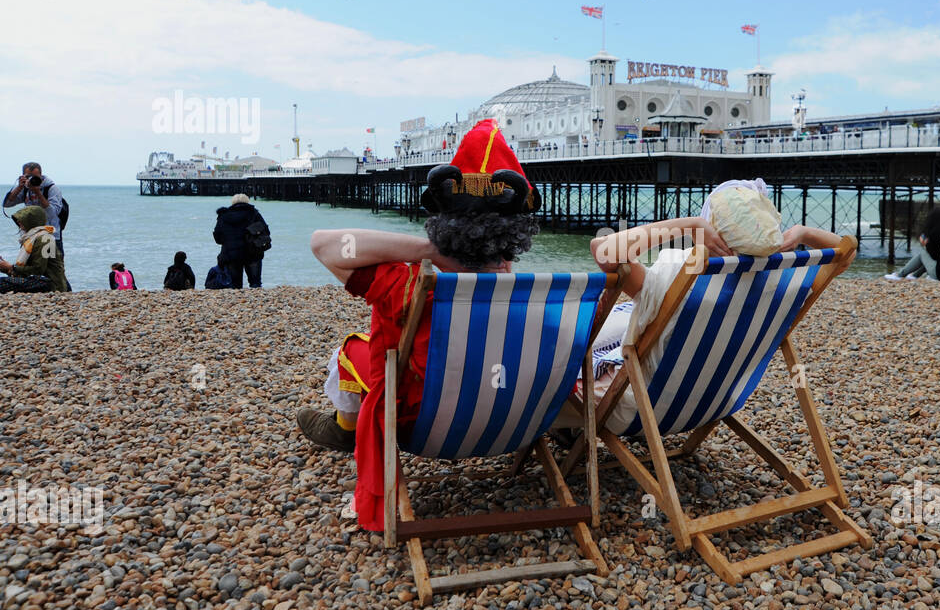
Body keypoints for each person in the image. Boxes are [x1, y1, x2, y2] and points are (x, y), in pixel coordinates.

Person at [297, 119, 542, 532]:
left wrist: (430, 250)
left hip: (423, 422)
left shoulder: (410, 284)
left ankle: (343, 428)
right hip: (515, 416)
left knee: (350, 351)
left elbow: (323, 243)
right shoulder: (540, 293)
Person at [573, 179, 841, 435]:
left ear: (711, 225)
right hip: (717, 402)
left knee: (566, 367)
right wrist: (802, 232)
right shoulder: (785, 282)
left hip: (639, 408)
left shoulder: (678, 274)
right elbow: (844, 253)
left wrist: (687, 225)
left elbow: (603, 250)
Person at [0, 205, 69, 292]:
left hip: (50, 284)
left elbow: (38, 270)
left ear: (32, 221)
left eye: (22, 219)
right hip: (41, 280)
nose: (18, 221)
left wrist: (12, 268)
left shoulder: (45, 239)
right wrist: (7, 269)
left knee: (2, 282)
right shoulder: (32, 239)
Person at [3, 162, 65, 256]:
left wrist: (38, 192)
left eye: (35, 177)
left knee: (50, 268)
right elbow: (7, 204)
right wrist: (19, 187)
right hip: (30, 236)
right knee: (28, 268)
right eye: (28, 177)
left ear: (41, 175)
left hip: (49, 237)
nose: (32, 179)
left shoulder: (51, 188)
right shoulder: (24, 188)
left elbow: (52, 214)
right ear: (23, 176)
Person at [212, 193, 270, 289]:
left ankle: (236, 302)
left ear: (232, 202)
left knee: (235, 285)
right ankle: (256, 301)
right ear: (247, 201)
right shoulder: (254, 214)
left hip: (231, 255)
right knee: (255, 284)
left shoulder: (223, 216)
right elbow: (266, 231)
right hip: (253, 253)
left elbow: (218, 238)